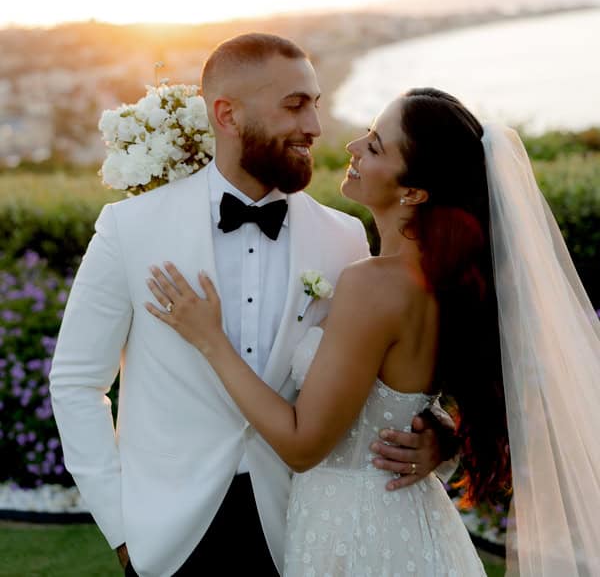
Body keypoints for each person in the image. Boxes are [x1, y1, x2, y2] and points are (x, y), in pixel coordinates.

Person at [148, 87, 600, 575]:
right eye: (366, 133)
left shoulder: (375, 285)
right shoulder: (442, 279)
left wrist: (210, 340)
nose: (352, 148)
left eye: (376, 146)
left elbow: (302, 447)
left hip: (357, 532)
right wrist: (442, 434)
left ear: (413, 192)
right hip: (409, 520)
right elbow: (411, 395)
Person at [49, 35, 450, 577]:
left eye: (315, 102)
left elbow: (382, 371)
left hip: (300, 529)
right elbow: (76, 382)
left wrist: (439, 437)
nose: (315, 125)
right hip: (168, 537)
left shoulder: (344, 238)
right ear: (227, 114)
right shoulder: (130, 228)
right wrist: (121, 524)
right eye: (294, 104)